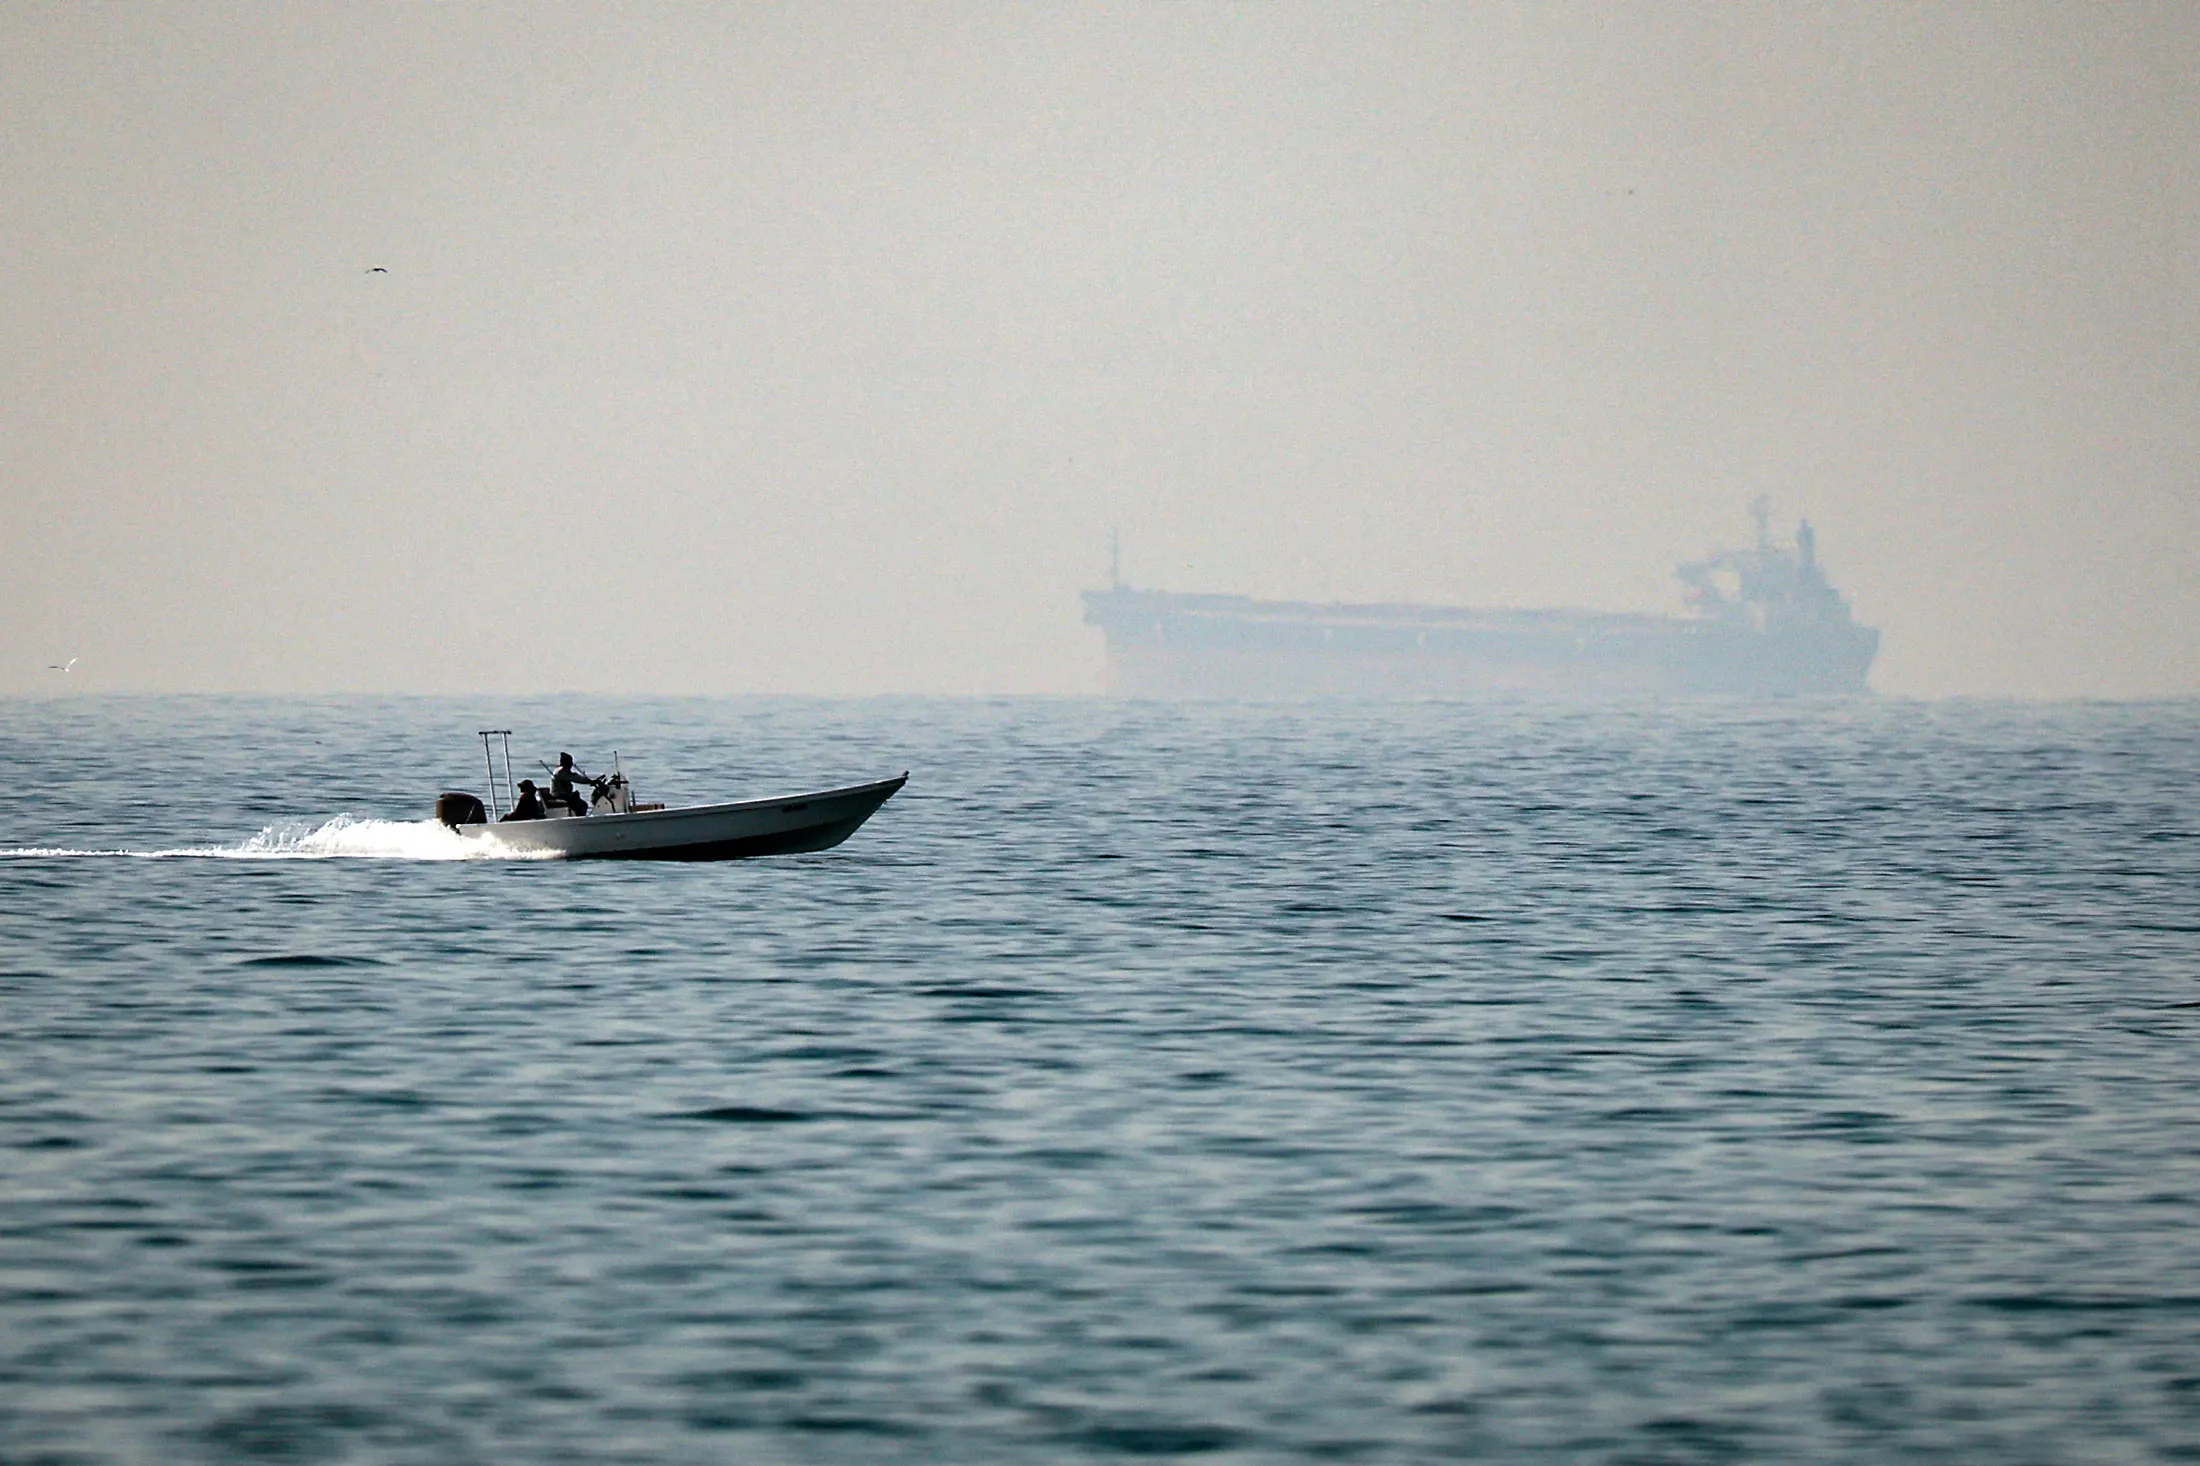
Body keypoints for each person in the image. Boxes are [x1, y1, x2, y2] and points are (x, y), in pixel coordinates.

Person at [550, 752, 594, 816]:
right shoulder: (561, 771)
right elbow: (574, 778)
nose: (571, 764)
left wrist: (589, 780)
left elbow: (573, 776)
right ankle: (579, 819)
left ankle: (578, 816)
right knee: (581, 805)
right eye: (570, 762)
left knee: (582, 803)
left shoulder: (562, 770)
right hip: (560, 795)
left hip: (564, 794)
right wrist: (588, 781)